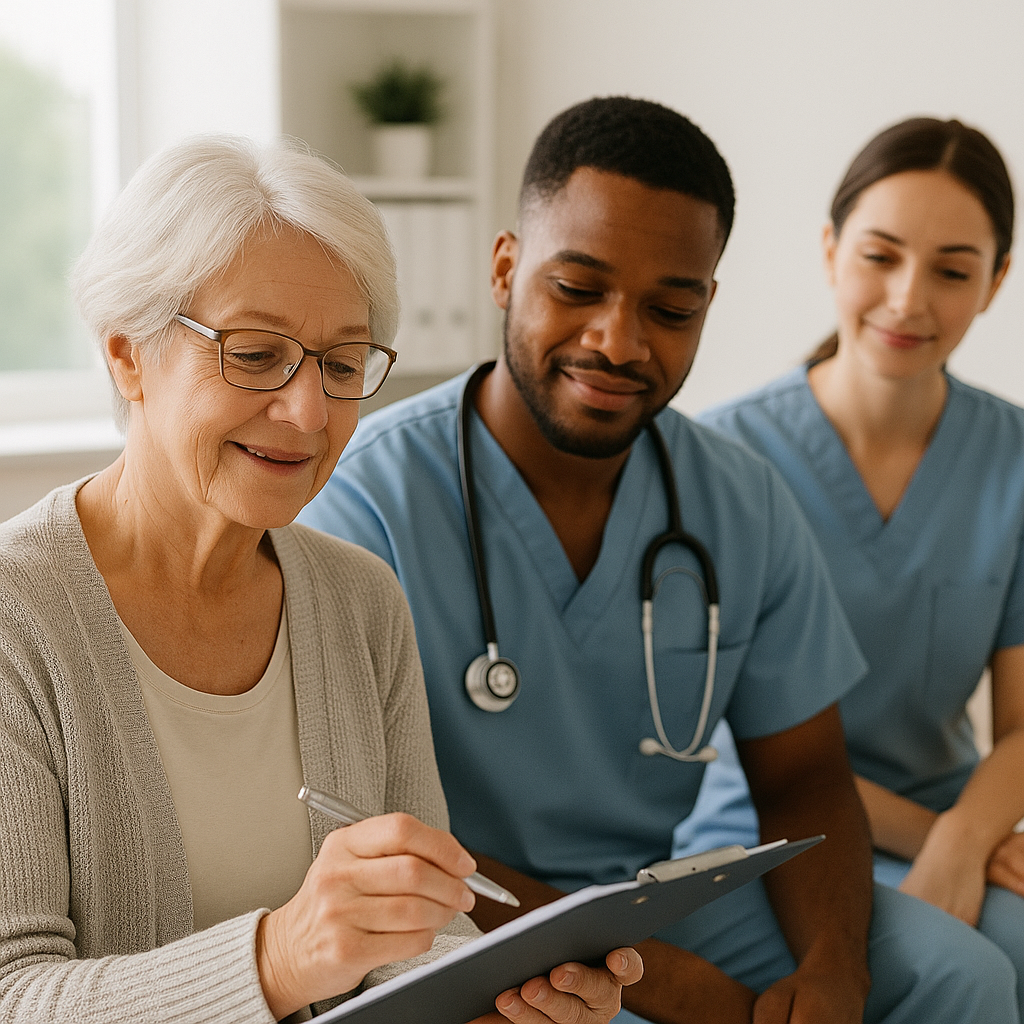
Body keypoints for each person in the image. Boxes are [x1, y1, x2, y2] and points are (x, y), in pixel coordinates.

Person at [300, 97, 1019, 1022]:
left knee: (964, 977)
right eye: (577, 288)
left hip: (655, 894)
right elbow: (363, 832)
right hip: (453, 920)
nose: (617, 340)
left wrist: (837, 967)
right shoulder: (369, 500)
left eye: (669, 307)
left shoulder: (740, 500)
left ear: (706, 306)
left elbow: (803, 774)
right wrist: (670, 982)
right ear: (506, 268)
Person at [0, 135, 643, 1024]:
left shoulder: (360, 600)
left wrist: (496, 1005)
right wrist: (280, 956)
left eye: (342, 367)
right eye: (256, 354)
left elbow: (419, 936)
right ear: (126, 356)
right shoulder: (16, 617)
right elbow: (12, 995)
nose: (307, 413)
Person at [672, 115, 1024, 1016]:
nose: (909, 299)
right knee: (976, 973)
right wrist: (951, 840)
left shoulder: (1013, 457)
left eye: (952, 270)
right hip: (769, 834)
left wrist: (965, 836)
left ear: (996, 282)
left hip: (951, 820)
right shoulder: (726, 461)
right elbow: (741, 751)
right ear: (830, 251)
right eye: (881, 256)